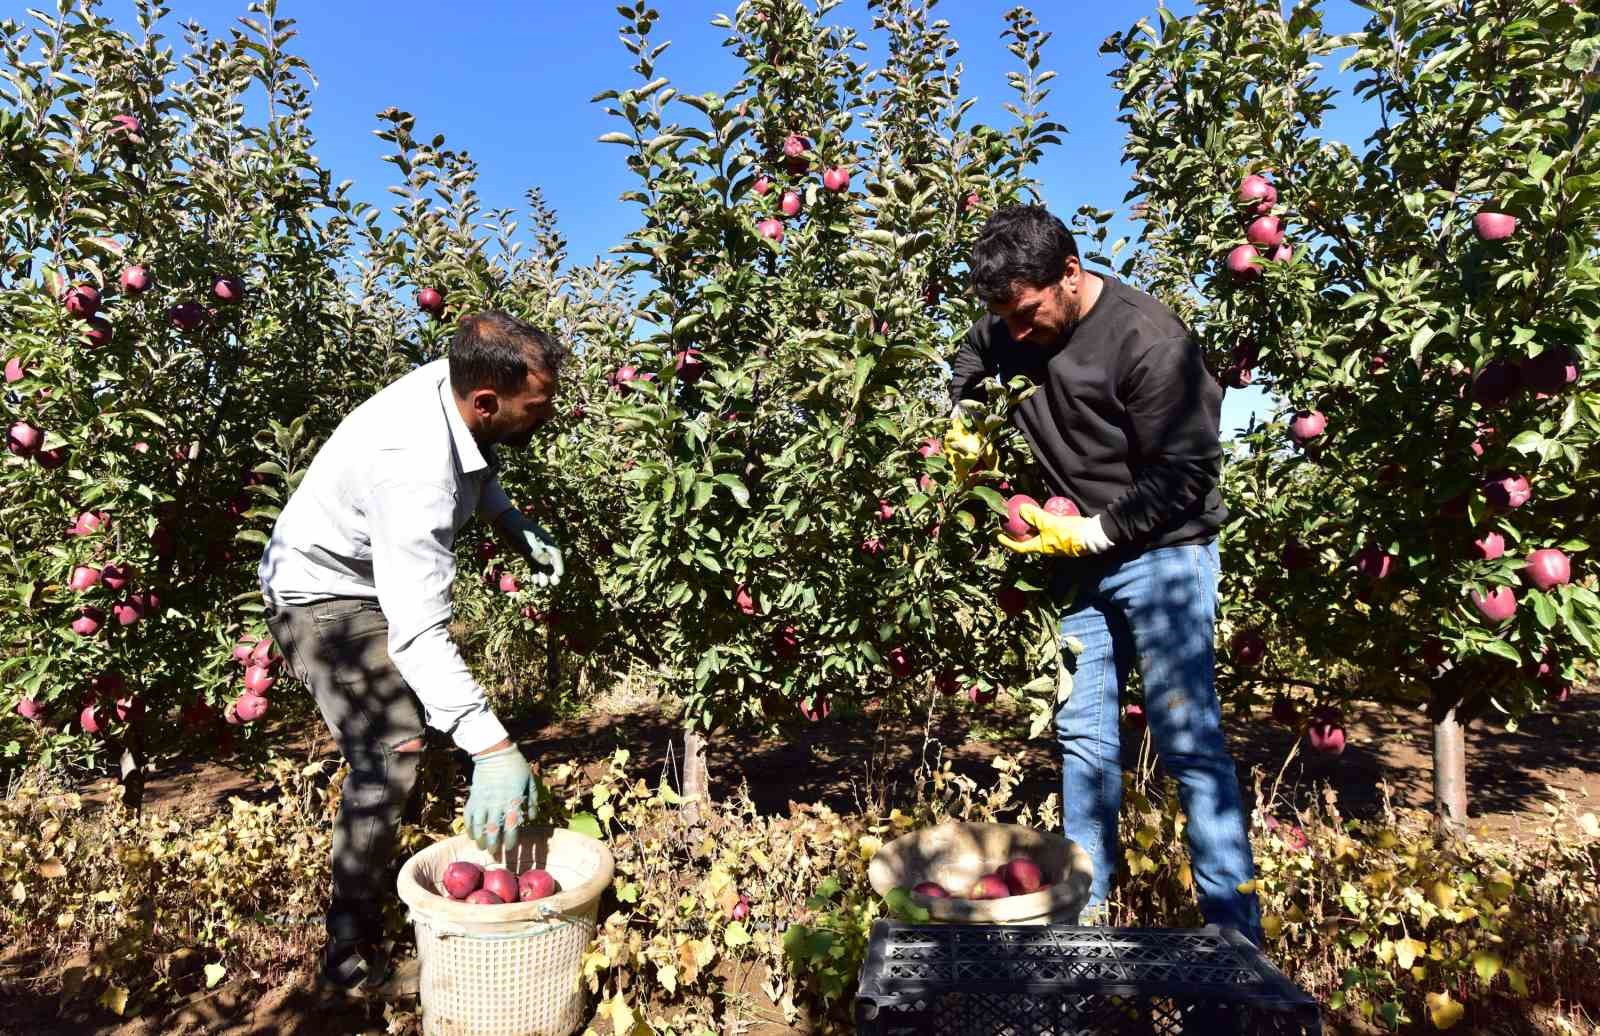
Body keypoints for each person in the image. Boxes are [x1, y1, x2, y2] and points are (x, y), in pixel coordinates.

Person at [946, 204, 1263, 944]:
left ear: (1070, 273)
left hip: (1164, 556)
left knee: (1188, 743)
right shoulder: (1010, 321)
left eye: (1026, 315)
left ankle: (1235, 940)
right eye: (1004, 317)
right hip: (1078, 565)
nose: (1014, 333)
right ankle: (1086, 923)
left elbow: (1187, 473)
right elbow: (972, 353)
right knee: (1084, 741)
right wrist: (963, 419)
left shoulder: (1149, 340)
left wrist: (1095, 530)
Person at [258, 310, 568, 995]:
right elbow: (418, 633)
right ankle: (347, 949)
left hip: (366, 577)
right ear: (486, 399)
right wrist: (492, 749)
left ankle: (425, 884)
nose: (548, 416)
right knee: (392, 745)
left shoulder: (454, 385)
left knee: (434, 723)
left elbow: (477, 460)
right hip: (321, 594)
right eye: (537, 407)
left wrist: (507, 517)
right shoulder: (413, 472)